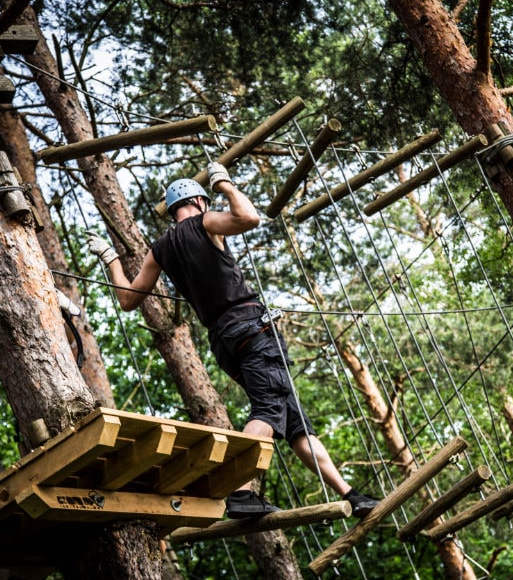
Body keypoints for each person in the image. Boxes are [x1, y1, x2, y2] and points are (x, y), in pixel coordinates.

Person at [87, 163, 378, 519]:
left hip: (224, 342)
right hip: (251, 330)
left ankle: (350, 493)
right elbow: (249, 217)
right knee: (269, 410)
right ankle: (241, 494)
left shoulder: (160, 249)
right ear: (198, 202)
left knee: (292, 420)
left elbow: (128, 299)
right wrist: (224, 182)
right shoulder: (204, 222)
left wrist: (111, 259)